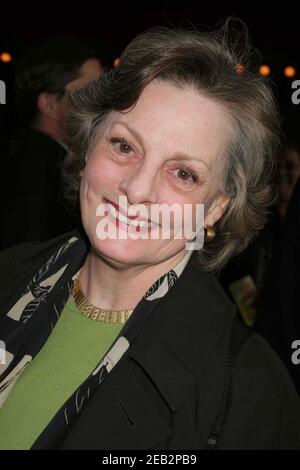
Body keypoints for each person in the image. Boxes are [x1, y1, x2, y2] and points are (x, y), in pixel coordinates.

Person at [0, 23, 299, 450]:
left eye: (183, 173)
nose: (137, 190)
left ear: (216, 207)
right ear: (88, 146)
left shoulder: (249, 391)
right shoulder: (8, 273)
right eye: (124, 146)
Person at [1, 35, 102, 249]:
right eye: (91, 91)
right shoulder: (44, 175)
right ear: (49, 104)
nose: (103, 103)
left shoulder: (31, 159)